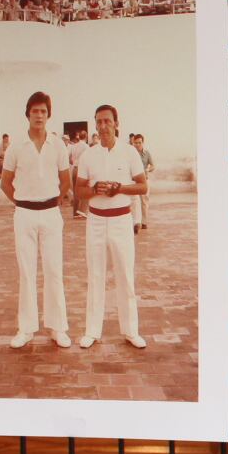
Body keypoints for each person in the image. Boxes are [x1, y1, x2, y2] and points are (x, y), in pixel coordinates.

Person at [0, 91, 73, 350]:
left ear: (48, 115)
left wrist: (55, 201)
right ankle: (26, 329)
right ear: (27, 113)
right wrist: (21, 202)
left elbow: (66, 180)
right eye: (34, 111)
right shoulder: (16, 146)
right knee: (27, 272)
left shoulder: (58, 145)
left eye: (43, 111)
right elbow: (5, 182)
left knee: (54, 271)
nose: (39, 115)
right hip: (24, 215)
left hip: (51, 214)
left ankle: (57, 328)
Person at [75, 104, 149, 350]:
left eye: (107, 121)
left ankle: (130, 331)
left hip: (121, 221)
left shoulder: (129, 153)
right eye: (99, 121)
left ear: (117, 123)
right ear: (95, 125)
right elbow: (79, 190)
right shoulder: (88, 155)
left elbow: (142, 186)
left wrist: (120, 188)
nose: (103, 126)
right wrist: (95, 189)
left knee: (125, 276)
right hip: (95, 220)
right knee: (95, 274)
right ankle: (92, 331)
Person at [129, 132, 155, 230]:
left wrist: (148, 169)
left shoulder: (147, 153)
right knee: (134, 202)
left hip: (145, 180)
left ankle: (144, 222)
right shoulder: (131, 154)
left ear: (143, 142)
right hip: (133, 181)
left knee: (144, 201)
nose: (138, 145)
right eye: (136, 143)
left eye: (139, 143)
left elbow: (153, 165)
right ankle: (135, 222)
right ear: (133, 143)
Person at [64, 128, 89, 217]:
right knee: (85, 189)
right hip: (82, 169)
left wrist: (74, 162)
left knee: (75, 191)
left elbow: (68, 157)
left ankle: (75, 212)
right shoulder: (86, 146)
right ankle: (82, 211)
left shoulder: (74, 146)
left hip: (74, 168)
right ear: (86, 137)